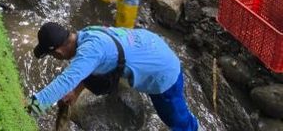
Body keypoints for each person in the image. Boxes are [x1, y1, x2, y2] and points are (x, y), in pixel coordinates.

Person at [27, 21, 199, 131]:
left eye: (53, 56)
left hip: (163, 71)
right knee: (96, 73)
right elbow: (87, 69)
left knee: (177, 121)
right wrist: (75, 93)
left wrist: (33, 106)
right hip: (150, 46)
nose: (57, 59)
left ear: (57, 51)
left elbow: (66, 80)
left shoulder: (90, 52)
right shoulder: (86, 33)